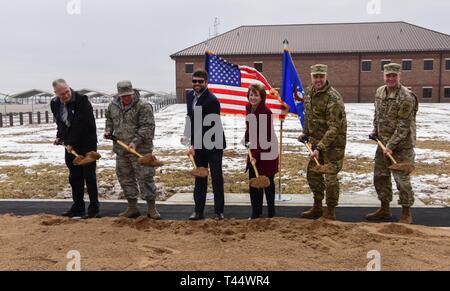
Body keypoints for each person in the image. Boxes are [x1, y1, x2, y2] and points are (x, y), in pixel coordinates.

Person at [366, 63, 418, 224]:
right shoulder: (380, 92)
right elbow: (377, 114)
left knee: (402, 180)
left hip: (402, 146)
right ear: (384, 76)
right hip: (383, 144)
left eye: (394, 76)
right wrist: (376, 131)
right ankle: (384, 208)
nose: (390, 78)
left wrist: (390, 146)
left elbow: (403, 127)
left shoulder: (406, 97)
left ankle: (406, 212)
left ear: (399, 76)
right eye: (388, 75)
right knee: (380, 177)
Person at [104, 80, 160, 220]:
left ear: (133, 92)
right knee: (125, 178)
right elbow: (109, 120)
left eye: (128, 95)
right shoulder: (113, 106)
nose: (126, 98)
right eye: (123, 96)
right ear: (119, 95)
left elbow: (147, 127)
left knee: (145, 177)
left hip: (140, 150)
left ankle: (152, 208)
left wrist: (135, 142)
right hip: (121, 149)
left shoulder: (143, 106)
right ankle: (132, 208)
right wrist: (108, 130)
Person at [298, 64, 347, 221]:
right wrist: (305, 133)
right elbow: (308, 116)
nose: (318, 80)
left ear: (326, 76)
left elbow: (334, 128)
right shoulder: (309, 92)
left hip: (333, 145)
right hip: (316, 142)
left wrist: (320, 147)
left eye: (321, 76)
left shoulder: (334, 98)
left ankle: (330, 211)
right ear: (312, 77)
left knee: (331, 179)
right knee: (313, 174)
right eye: (315, 77)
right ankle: (318, 206)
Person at [50, 79, 99, 219]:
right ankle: (78, 207)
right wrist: (59, 136)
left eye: (67, 91)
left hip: (87, 143)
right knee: (74, 176)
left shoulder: (82, 100)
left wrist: (71, 142)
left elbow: (80, 123)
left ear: (69, 87)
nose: (65, 95)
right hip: (70, 144)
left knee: (89, 175)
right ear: (56, 93)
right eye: (62, 94)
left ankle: (94, 209)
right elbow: (60, 121)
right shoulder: (55, 103)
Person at [185, 70, 226, 220]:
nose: (197, 84)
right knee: (200, 177)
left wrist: (195, 144)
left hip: (213, 144)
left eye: (200, 81)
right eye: (194, 81)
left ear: (206, 83)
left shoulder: (212, 100)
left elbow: (207, 127)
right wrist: (187, 138)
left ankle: (218, 211)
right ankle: (198, 211)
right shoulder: (189, 96)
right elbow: (190, 118)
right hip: (198, 145)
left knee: (216, 178)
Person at [244, 84, 279, 219]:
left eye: (256, 95)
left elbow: (264, 136)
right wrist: (246, 141)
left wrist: (255, 155)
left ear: (262, 97)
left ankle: (271, 214)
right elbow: (249, 128)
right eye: (251, 95)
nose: (253, 98)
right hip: (254, 149)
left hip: (267, 151)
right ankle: (255, 213)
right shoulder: (248, 109)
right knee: (254, 182)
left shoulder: (266, 112)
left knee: (267, 183)